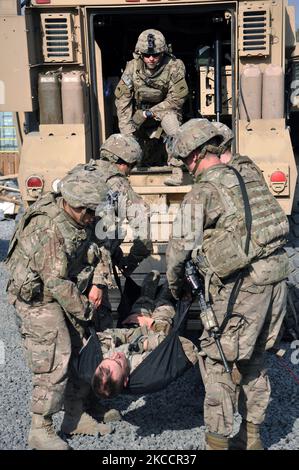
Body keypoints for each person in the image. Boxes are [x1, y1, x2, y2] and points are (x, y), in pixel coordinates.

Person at [166, 118, 290, 450]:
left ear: (192, 157)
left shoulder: (203, 191)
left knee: (219, 363)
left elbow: (178, 250)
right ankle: (251, 439)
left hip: (242, 289)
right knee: (255, 361)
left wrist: (175, 288)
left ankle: (217, 444)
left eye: (185, 161)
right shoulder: (248, 174)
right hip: (277, 281)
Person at [5, 175, 114, 450]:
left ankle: (75, 417)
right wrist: (87, 311)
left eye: (94, 211)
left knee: (81, 347)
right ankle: (40, 428)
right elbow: (56, 283)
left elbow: (100, 250)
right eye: (85, 211)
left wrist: (99, 282)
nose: (90, 217)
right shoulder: (47, 226)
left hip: (65, 292)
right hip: (39, 298)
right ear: (68, 202)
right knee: (56, 353)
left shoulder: (84, 217)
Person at [60, 133, 153, 331]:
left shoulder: (78, 172)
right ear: (124, 163)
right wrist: (131, 262)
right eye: (131, 167)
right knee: (98, 326)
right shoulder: (117, 183)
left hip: (63, 262)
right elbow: (143, 229)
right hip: (93, 270)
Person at [90, 271, 199, 398]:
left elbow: (106, 336)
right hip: (158, 324)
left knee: (143, 298)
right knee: (164, 298)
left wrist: (131, 333)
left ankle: (150, 287)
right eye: (119, 362)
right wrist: (147, 333)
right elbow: (166, 343)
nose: (116, 355)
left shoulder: (106, 361)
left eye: (109, 358)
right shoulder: (143, 368)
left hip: (136, 325)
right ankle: (173, 278)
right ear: (125, 381)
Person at [114, 29, 189, 185]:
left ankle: (176, 170)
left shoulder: (174, 66)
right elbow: (123, 101)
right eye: (147, 55)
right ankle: (125, 175)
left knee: (173, 127)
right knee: (126, 137)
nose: (151, 59)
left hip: (166, 112)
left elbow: (176, 100)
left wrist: (148, 113)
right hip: (138, 115)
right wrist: (127, 131)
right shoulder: (132, 68)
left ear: (163, 53)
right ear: (140, 54)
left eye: (156, 55)